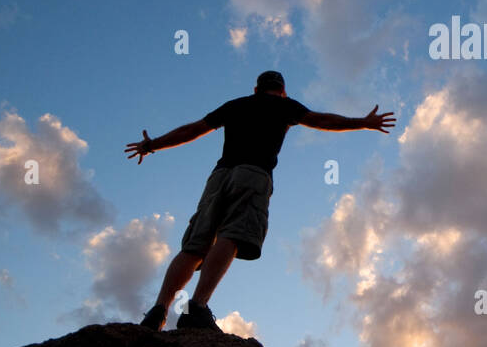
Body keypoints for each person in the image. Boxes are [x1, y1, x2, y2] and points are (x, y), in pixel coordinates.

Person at [125, 69, 395, 331]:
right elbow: (323, 120)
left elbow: (193, 129)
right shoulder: (285, 106)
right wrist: (362, 122)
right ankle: (196, 307)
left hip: (220, 176)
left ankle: (159, 310)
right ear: (282, 91)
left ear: (255, 89)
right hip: (253, 175)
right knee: (232, 234)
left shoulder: (236, 105)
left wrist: (152, 145)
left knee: (195, 246)